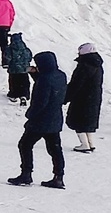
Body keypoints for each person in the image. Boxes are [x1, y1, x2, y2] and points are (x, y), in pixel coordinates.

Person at [11, 50, 68, 188]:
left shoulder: (44, 79)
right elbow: (50, 86)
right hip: (55, 117)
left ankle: (26, 174)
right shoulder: (60, 75)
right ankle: (58, 177)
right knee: (55, 148)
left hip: (41, 120)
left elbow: (40, 101)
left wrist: (30, 115)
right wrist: (34, 74)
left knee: (25, 145)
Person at [67, 43, 104, 154]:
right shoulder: (98, 65)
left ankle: (84, 145)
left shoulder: (84, 65)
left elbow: (76, 84)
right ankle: (90, 143)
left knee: (78, 120)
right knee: (88, 121)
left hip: (82, 97)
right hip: (94, 97)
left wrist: (66, 96)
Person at [3, 32, 33, 104]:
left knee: (14, 82)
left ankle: (13, 95)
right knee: (24, 82)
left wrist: (7, 63)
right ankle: (24, 95)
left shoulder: (9, 49)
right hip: (24, 70)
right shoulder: (25, 49)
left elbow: (7, 58)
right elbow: (29, 58)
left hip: (14, 70)